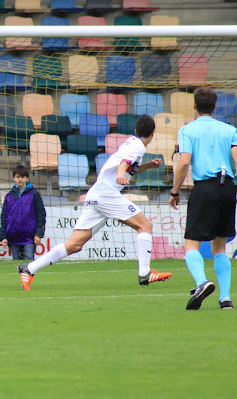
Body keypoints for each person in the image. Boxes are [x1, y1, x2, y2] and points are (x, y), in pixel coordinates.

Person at [18, 114, 172, 291]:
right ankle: (144, 273)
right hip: (106, 194)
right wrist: (121, 175)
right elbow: (123, 165)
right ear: (153, 133)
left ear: (136, 131)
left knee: (75, 244)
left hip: (97, 194)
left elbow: (128, 167)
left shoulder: (131, 142)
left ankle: (29, 269)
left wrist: (148, 166)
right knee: (145, 225)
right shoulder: (138, 146)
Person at [170, 87, 237, 310]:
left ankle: (201, 283)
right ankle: (225, 298)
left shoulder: (188, 130)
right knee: (220, 248)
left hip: (205, 187)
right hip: (228, 187)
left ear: (194, 105)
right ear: (215, 106)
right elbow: (236, 159)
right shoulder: (229, 130)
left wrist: (175, 191)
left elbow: (184, 162)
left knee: (191, 244)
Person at [0, 165, 46, 261]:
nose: (20, 179)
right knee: (16, 264)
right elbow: (4, 217)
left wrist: (38, 234)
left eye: (22, 177)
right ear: (14, 178)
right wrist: (3, 237)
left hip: (29, 236)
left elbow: (41, 214)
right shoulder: (8, 196)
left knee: (29, 262)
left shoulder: (34, 194)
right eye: (17, 177)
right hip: (13, 236)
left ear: (27, 178)